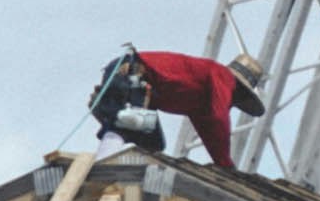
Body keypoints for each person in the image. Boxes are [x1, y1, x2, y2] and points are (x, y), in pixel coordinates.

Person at [89, 45, 269, 171]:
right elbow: (219, 118)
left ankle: (117, 163)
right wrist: (227, 166)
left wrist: (224, 165)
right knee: (129, 124)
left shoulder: (200, 102)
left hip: (139, 84)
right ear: (239, 88)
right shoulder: (222, 76)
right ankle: (102, 167)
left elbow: (211, 134)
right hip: (133, 72)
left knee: (153, 144)